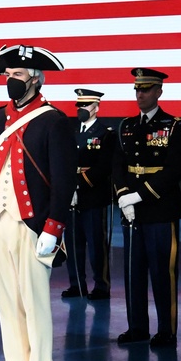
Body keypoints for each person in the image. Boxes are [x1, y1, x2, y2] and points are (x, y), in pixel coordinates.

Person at [0, 45, 75, 361]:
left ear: (35, 79)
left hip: (33, 226)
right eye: (8, 75)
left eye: (18, 76)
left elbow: (64, 181)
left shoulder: (53, 121)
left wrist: (54, 226)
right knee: (10, 309)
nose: (11, 81)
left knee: (34, 308)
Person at [113, 68, 181, 349]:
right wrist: (123, 195)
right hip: (131, 211)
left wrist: (139, 196)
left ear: (159, 91)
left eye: (145, 89)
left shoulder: (173, 126)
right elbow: (118, 165)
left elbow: (174, 170)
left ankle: (166, 330)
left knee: (162, 272)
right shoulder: (127, 126)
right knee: (133, 272)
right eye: (137, 89)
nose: (140, 94)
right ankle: (137, 327)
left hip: (160, 208)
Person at [62, 88, 114, 301]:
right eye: (79, 105)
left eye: (85, 105)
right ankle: (77, 284)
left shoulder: (105, 133)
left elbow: (103, 166)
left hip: (92, 196)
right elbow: (64, 160)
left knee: (95, 245)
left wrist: (77, 185)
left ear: (96, 107)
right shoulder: (70, 131)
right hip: (71, 198)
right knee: (73, 244)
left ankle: (101, 285)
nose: (81, 109)